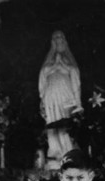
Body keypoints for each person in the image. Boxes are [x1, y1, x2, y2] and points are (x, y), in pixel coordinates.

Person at [38, 31, 82, 167]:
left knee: (66, 124)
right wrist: (42, 99)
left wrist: (78, 103)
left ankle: (68, 153)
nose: (58, 40)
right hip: (51, 95)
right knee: (52, 123)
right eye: (55, 37)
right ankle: (55, 153)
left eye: (61, 37)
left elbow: (75, 79)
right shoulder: (48, 62)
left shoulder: (68, 61)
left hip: (65, 95)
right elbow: (42, 79)